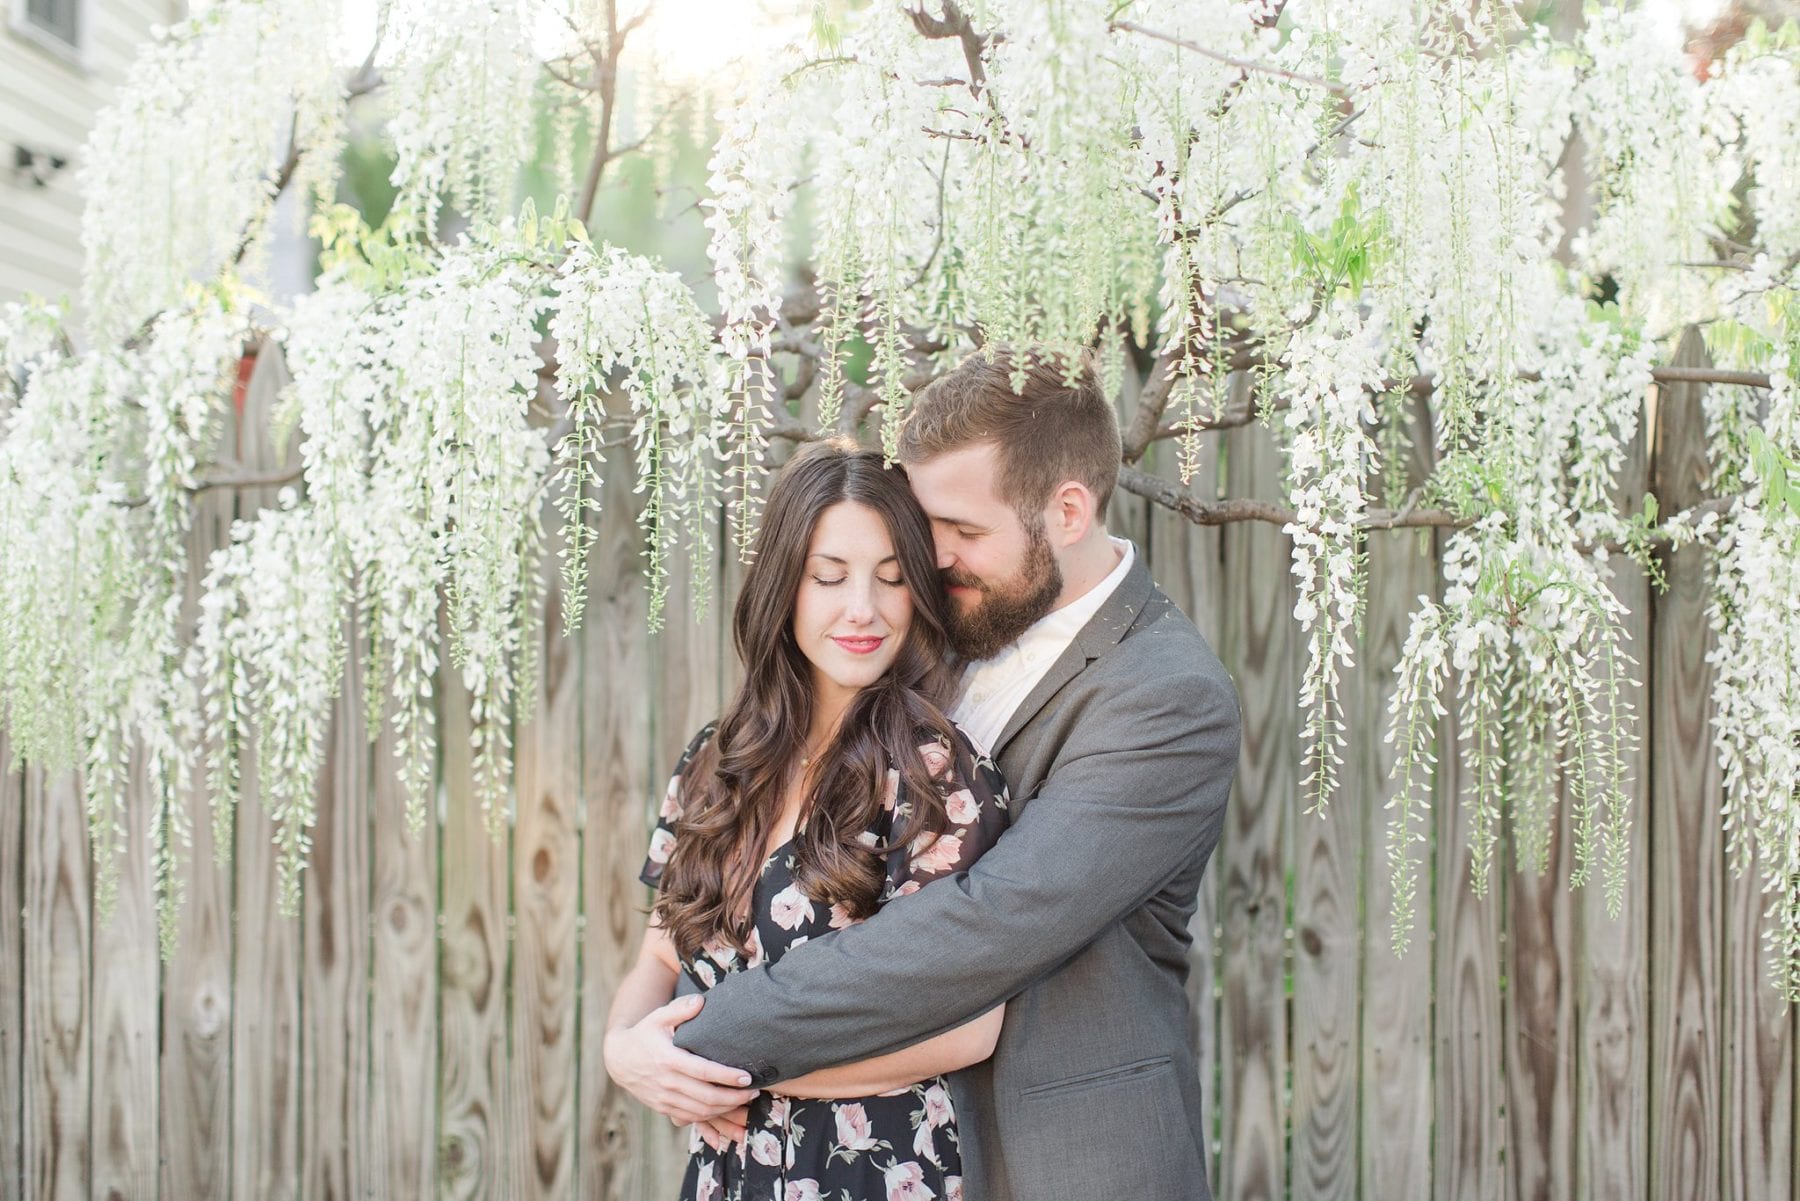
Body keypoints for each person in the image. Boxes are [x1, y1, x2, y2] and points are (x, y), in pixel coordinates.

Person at [610, 346, 1242, 1201]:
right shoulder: (933, 640)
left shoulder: (1167, 695)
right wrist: (627, 1043)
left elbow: (990, 920)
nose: (932, 558)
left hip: (1063, 1160)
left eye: (963, 532)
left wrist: (707, 1041)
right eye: (927, 528)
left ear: (1066, 511)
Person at [603, 440, 1011, 1201]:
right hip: (729, 1174)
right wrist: (625, 1052)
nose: (864, 608)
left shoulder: (933, 773)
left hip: (879, 1170)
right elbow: (658, 958)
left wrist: (730, 1076)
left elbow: (969, 1028)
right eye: (830, 577)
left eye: (892, 579)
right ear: (783, 586)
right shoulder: (714, 761)